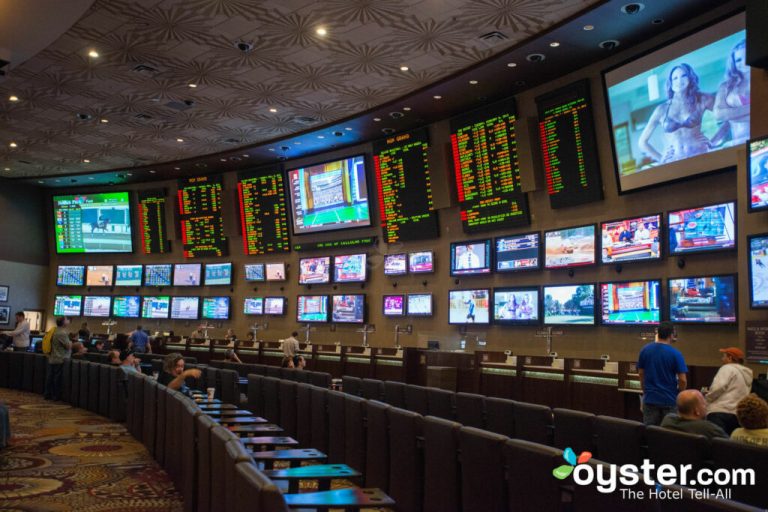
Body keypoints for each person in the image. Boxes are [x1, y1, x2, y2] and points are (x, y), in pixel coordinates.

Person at [638, 63, 715, 165]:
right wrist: (661, 159)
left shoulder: (701, 100)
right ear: (670, 83)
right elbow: (642, 142)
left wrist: (715, 140)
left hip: (700, 156)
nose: (679, 80)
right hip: (674, 162)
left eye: (683, 76)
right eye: (675, 78)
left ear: (690, 78)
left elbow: (726, 116)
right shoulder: (661, 110)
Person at [637, 321, 688, 425]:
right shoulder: (676, 354)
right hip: (669, 400)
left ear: (658, 333)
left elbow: (641, 374)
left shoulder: (645, 350)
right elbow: (682, 380)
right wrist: (679, 394)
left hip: (650, 399)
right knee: (668, 432)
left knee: (650, 431)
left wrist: (645, 391)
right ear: (671, 335)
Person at [705, 347, 753, 435]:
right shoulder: (747, 375)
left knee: (716, 441)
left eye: (724, 356)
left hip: (719, 413)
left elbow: (717, 388)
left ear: (730, 358)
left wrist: (706, 400)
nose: (722, 359)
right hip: (737, 415)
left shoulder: (727, 368)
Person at [714, 39, 750, 147]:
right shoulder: (726, 87)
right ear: (733, 63)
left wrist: (732, 116)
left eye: (747, 56)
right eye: (738, 60)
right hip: (739, 144)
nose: (743, 62)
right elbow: (719, 114)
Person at [661, 389, 728, 440]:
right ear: (696, 411)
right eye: (703, 403)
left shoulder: (668, 420)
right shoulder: (709, 429)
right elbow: (729, 447)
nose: (706, 406)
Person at [44, 317, 72, 401]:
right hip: (60, 358)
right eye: (67, 320)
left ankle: (47, 394)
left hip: (52, 357)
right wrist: (71, 342)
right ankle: (55, 396)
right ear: (63, 323)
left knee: (50, 377)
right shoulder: (62, 333)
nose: (68, 321)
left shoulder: (54, 330)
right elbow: (68, 346)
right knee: (57, 379)